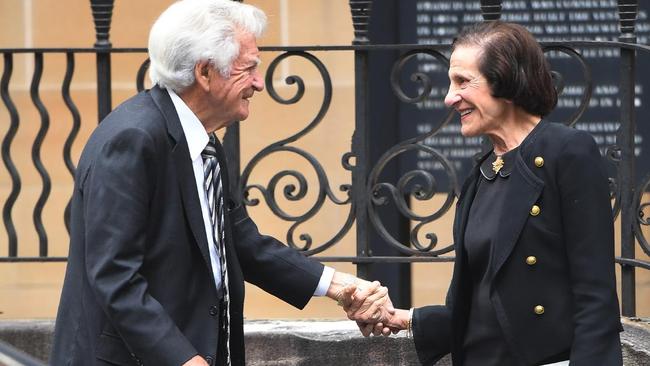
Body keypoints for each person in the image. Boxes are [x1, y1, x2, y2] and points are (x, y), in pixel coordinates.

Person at [50, 1, 392, 365]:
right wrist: (183, 359)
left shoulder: (202, 139)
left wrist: (339, 286)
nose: (260, 83)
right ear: (205, 72)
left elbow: (240, 241)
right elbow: (114, 277)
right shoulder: (133, 139)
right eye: (249, 69)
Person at [349, 21, 623, 365]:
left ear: (506, 80)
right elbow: (479, 303)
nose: (450, 98)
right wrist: (405, 318)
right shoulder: (481, 173)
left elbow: (595, 295)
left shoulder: (567, 152)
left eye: (463, 81)